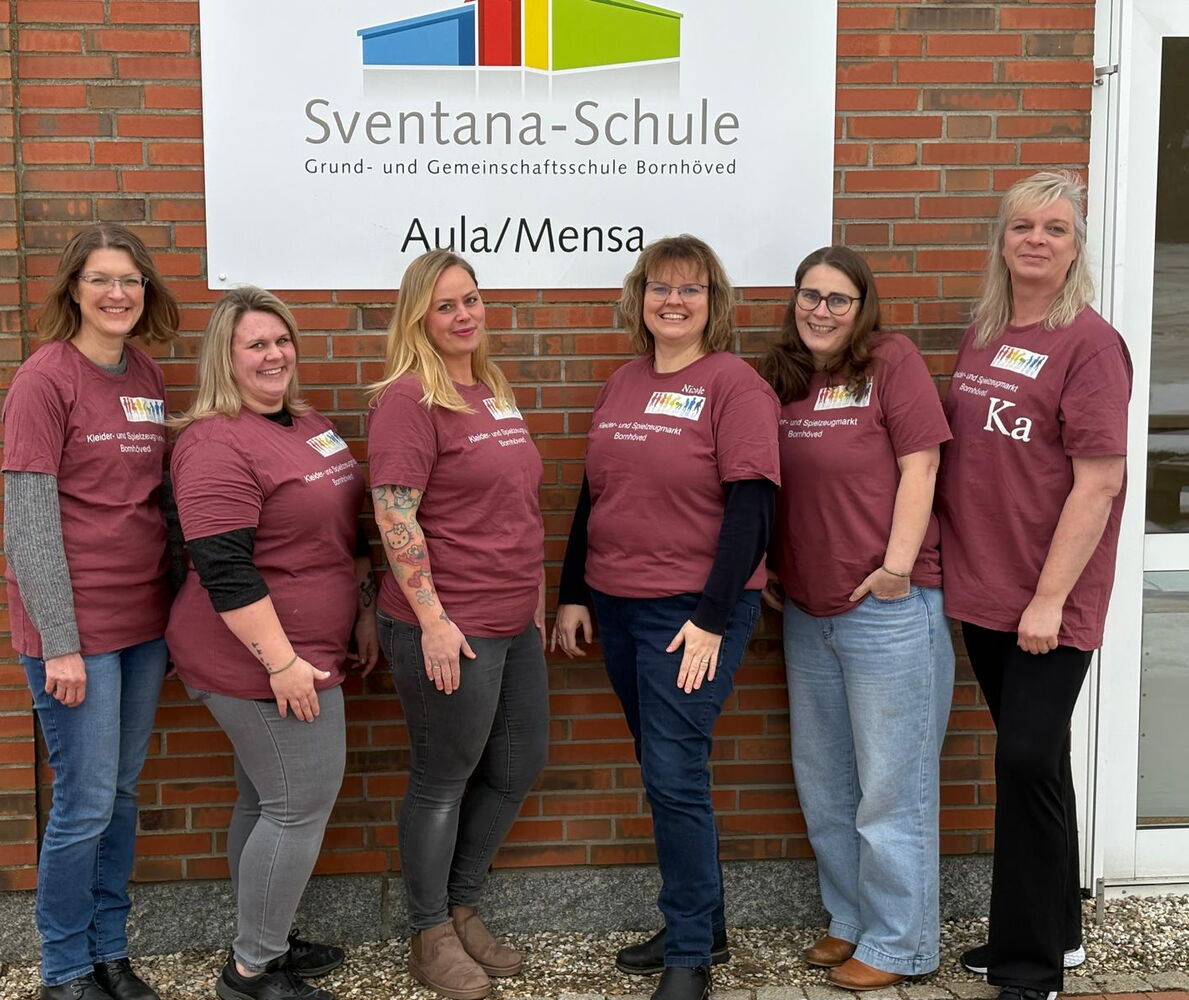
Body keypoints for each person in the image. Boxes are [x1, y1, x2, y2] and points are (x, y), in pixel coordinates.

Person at [553, 235, 780, 1000]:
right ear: (638, 296)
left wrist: (714, 618)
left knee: (676, 775)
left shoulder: (735, 386)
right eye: (659, 287)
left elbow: (752, 507)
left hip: (692, 614)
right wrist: (574, 592)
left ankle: (689, 954)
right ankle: (703, 922)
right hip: (614, 603)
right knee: (663, 770)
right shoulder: (621, 381)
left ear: (713, 303)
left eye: (690, 289)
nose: (672, 301)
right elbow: (596, 493)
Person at [937, 171, 1132, 1000]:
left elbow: (1097, 484)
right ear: (1002, 239)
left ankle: (1027, 966)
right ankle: (1060, 926)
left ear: (1075, 246)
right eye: (1023, 226)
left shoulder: (1089, 343)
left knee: (1019, 759)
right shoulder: (983, 332)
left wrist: (1049, 598)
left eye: (1055, 228)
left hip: (1049, 598)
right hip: (984, 587)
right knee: (1039, 756)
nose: (1037, 241)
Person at [165, 286, 376, 1000]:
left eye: (281, 340)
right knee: (298, 802)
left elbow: (341, 533)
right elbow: (223, 568)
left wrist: (363, 610)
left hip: (311, 643)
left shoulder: (308, 424)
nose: (274, 354)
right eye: (255, 344)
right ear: (225, 356)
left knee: (265, 801)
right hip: (254, 660)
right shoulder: (214, 442)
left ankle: (266, 938)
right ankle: (251, 971)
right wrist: (282, 664)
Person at [758, 246, 954, 991]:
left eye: (838, 299)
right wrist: (773, 565)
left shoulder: (890, 362)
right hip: (809, 611)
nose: (821, 310)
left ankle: (902, 944)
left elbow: (922, 464)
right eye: (810, 295)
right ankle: (850, 919)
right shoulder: (782, 379)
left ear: (861, 306)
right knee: (826, 781)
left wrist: (896, 568)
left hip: (887, 609)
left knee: (890, 788)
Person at [2, 223, 179, 1000]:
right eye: (102, 278)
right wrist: (61, 645)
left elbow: (157, 504)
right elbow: (29, 523)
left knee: (122, 793)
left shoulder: (145, 372)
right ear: (72, 288)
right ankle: (65, 969)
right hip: (74, 632)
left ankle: (110, 952)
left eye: (131, 280)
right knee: (82, 802)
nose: (118, 293)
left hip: (143, 625)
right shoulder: (44, 381)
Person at [366, 250, 550, 1000]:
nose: (464, 315)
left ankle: (463, 904)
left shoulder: (491, 389)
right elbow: (394, 511)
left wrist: (534, 600)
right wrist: (432, 620)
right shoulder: (409, 398)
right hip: (450, 626)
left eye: (471, 299)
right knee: (443, 778)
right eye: (445, 305)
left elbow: (516, 505)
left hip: (511, 619)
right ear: (418, 317)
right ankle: (428, 932)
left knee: (516, 764)